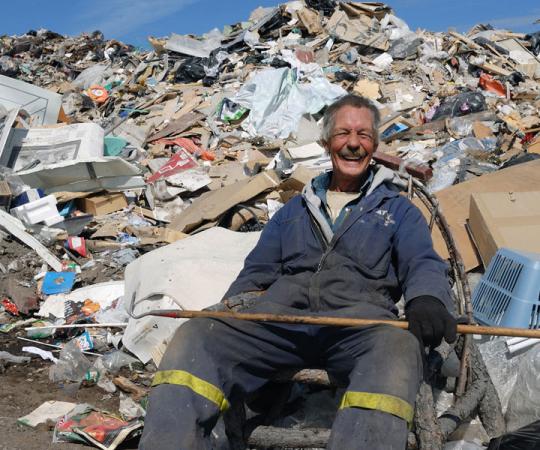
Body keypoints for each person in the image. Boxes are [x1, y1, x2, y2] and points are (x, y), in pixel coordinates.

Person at [139, 94, 457, 450]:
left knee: (398, 347)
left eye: (364, 135)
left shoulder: (397, 209)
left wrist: (427, 298)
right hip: (281, 321)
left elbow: (422, 262)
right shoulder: (292, 212)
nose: (353, 143)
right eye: (343, 134)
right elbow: (257, 272)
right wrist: (232, 311)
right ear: (326, 143)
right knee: (197, 334)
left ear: (375, 146)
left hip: (360, 328)